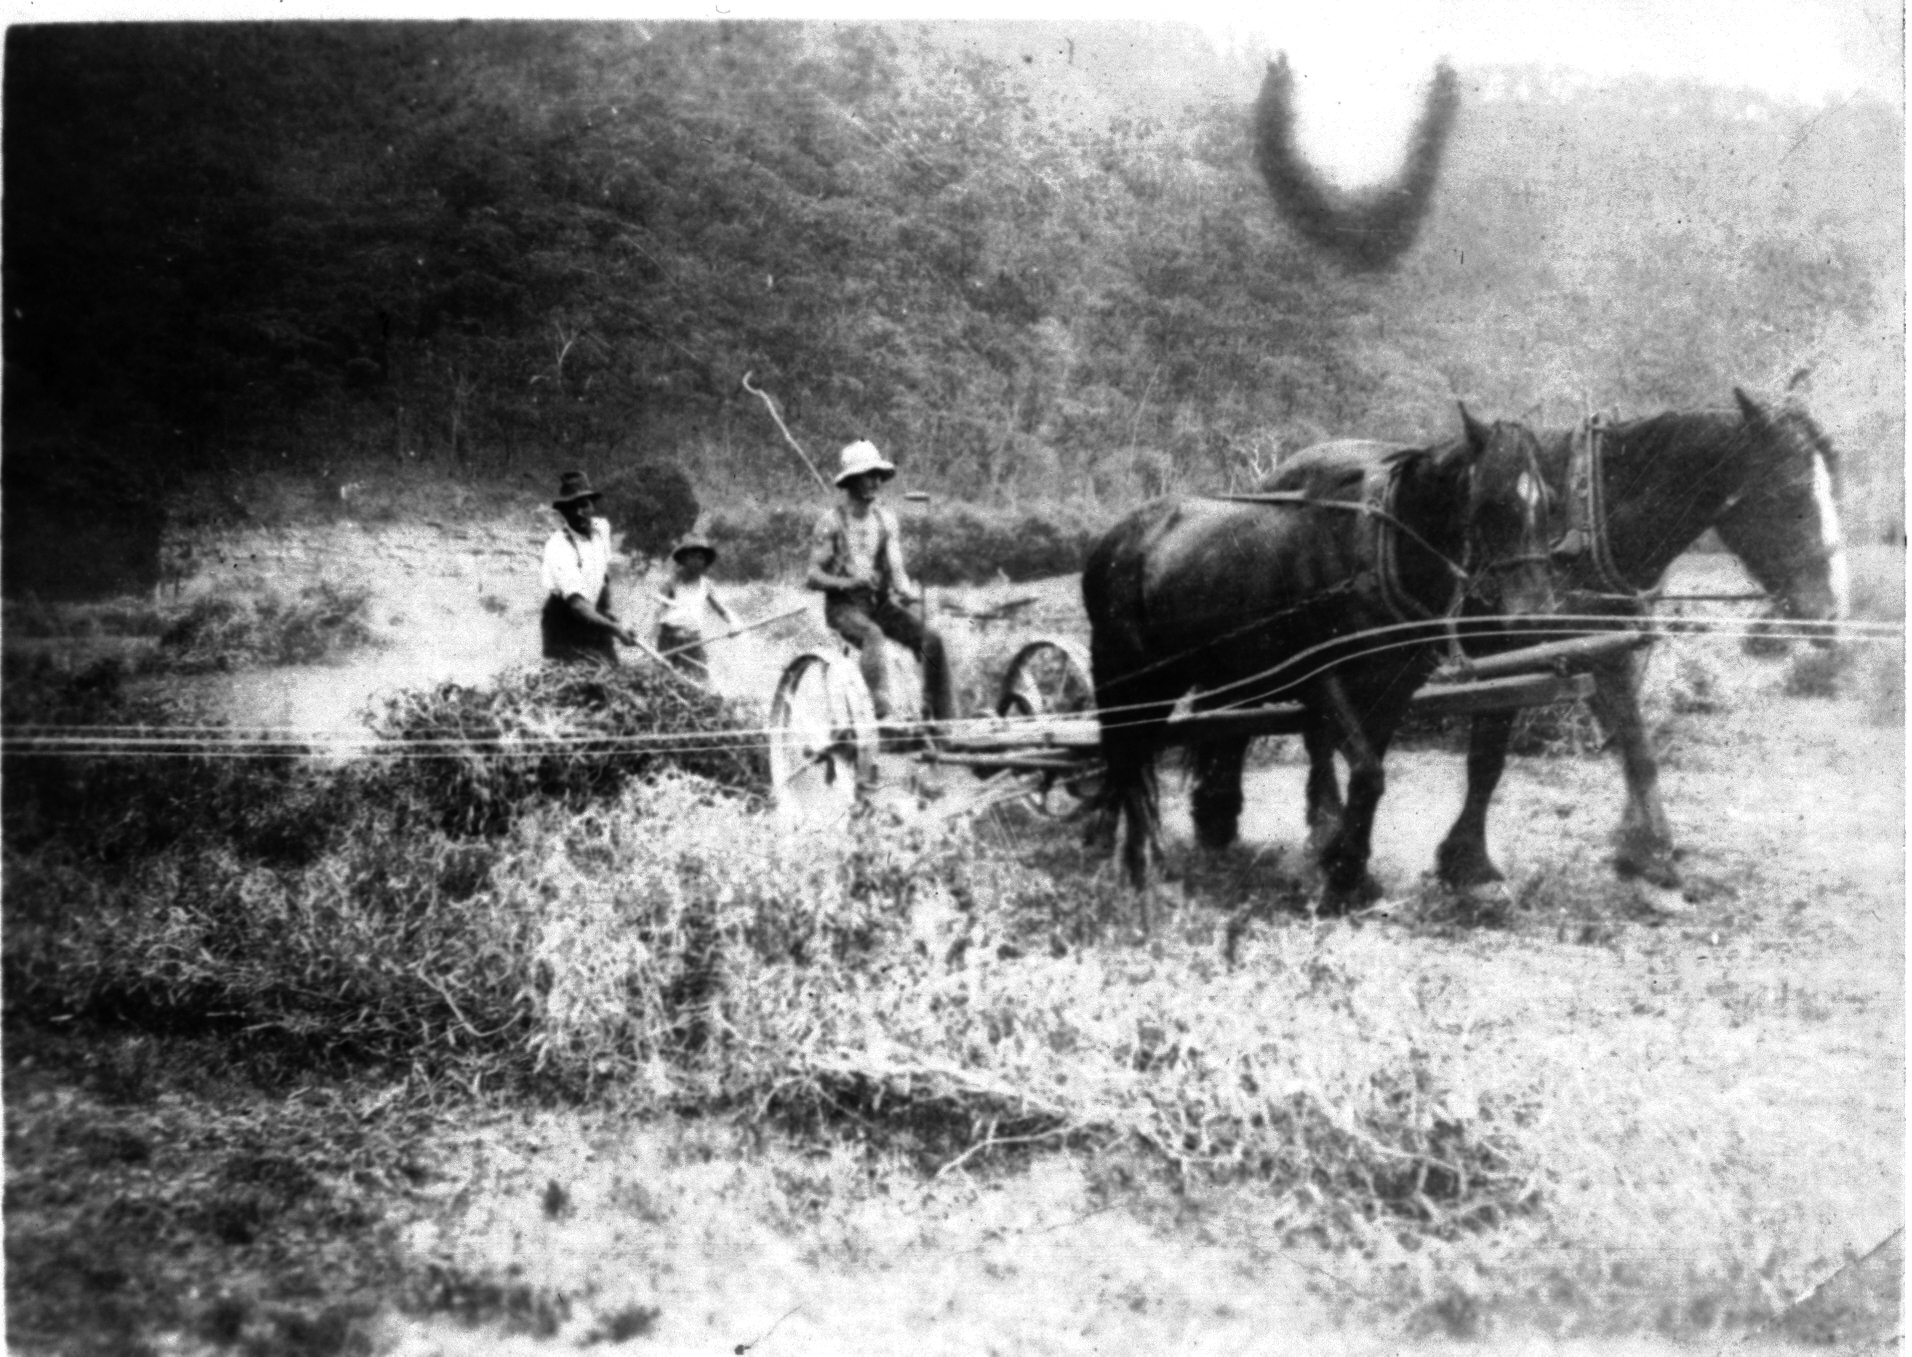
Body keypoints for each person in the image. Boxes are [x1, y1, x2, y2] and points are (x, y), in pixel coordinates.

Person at [805, 440, 955, 725]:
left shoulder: (885, 521)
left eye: (878, 476)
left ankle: (945, 718)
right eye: (868, 476)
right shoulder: (831, 523)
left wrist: (908, 592)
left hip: (879, 603)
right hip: (844, 607)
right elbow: (812, 577)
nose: (875, 482)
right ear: (851, 481)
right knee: (872, 635)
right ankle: (878, 711)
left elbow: (897, 570)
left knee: (930, 641)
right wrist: (848, 582)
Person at [540, 470, 637, 665]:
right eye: (570, 508)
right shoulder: (558, 546)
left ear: (592, 505)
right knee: (575, 683)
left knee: (612, 673)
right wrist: (616, 629)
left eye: (583, 505)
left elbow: (601, 576)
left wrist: (610, 617)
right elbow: (578, 606)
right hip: (565, 626)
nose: (578, 513)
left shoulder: (602, 529)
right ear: (563, 513)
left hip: (592, 618)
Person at [654, 531, 735, 686]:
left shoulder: (706, 585)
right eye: (692, 557)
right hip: (669, 638)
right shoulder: (672, 582)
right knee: (665, 679)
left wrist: (732, 625)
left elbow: (721, 609)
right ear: (684, 560)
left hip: (692, 638)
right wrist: (652, 631)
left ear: (705, 563)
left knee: (701, 679)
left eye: (700, 558)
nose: (696, 562)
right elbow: (659, 609)